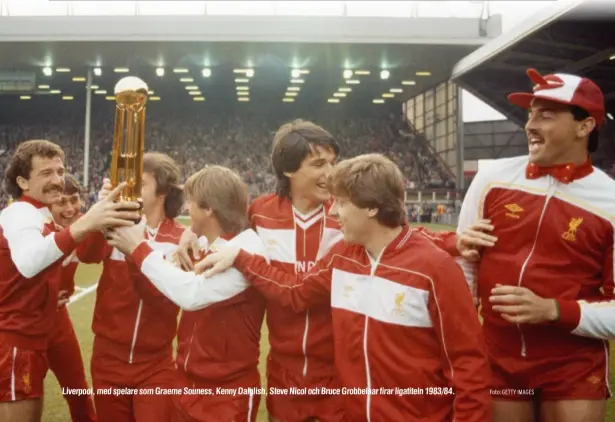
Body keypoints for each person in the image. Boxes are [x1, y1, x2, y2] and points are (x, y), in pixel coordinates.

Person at [198, 153, 492, 422]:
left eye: (341, 203)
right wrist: (239, 256)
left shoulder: (435, 269)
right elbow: (294, 293)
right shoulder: (342, 258)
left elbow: (468, 368)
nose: (334, 213)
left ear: (372, 208)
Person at [456, 68, 615, 422]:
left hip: (572, 364)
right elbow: (465, 263)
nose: (530, 124)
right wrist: (463, 338)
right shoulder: (491, 178)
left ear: (584, 126)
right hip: (497, 355)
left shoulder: (611, 201)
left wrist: (554, 310)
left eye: (546, 114)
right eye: (530, 113)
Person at [106, 165, 268, 422]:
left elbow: (191, 295)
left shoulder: (247, 249)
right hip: (185, 382)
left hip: (226, 393)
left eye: (191, 203)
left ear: (208, 209)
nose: (185, 209)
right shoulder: (204, 242)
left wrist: (138, 248)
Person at [0, 139, 140, 422]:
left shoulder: (40, 215)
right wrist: (87, 222)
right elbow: (28, 263)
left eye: (60, 171)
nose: (57, 180)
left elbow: (86, 252)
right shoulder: (20, 213)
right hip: (17, 339)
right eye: (46, 173)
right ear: (22, 182)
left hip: (32, 335)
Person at [76, 152, 185, 422]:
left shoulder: (180, 239)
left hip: (155, 364)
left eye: (141, 183)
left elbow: (161, 300)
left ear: (163, 192)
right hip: (108, 360)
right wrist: (99, 213)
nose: (130, 188)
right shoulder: (116, 225)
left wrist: (135, 251)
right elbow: (86, 254)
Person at [48, 174, 97, 422]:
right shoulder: (29, 232)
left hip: (58, 323)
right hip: (24, 324)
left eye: (74, 200)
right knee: (23, 393)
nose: (70, 209)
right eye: (61, 202)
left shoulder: (83, 230)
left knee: (77, 389)